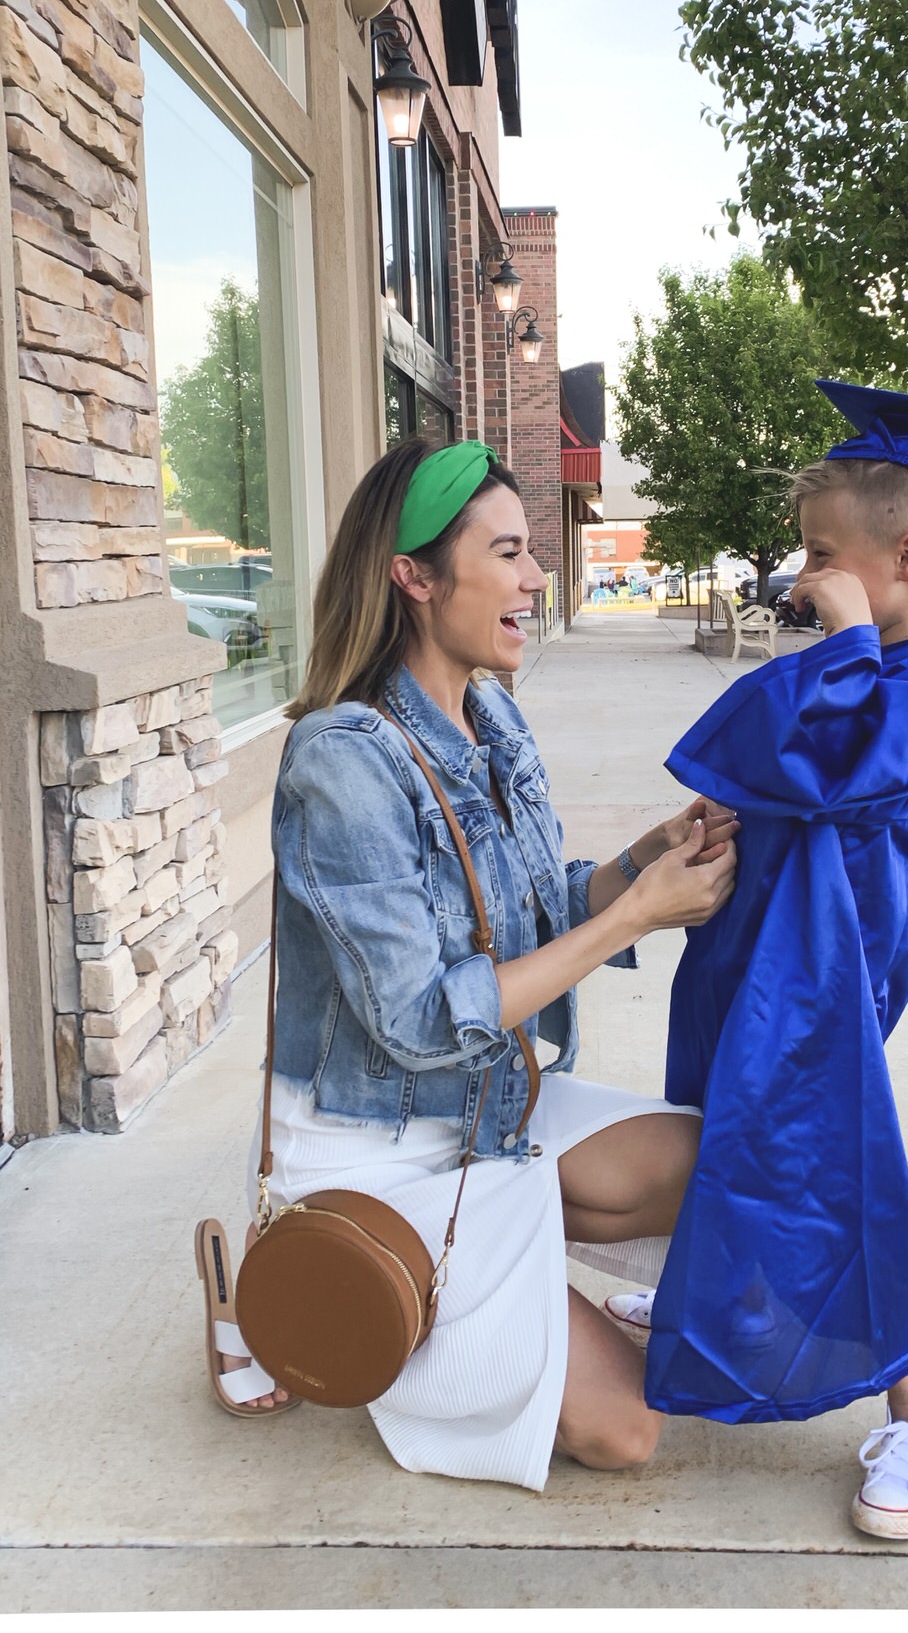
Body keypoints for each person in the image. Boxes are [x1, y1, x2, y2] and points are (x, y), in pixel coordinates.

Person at [194, 437, 738, 1489]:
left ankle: (501, 1259)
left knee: (727, 1164)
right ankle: (276, 1282)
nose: (536, 578)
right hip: (378, 1146)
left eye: (531, 550)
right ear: (415, 576)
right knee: (625, 1432)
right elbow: (415, 1020)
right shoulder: (343, 760)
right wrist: (634, 918)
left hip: (487, 1106)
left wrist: (647, 860)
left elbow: (528, 912)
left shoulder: (490, 715)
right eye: (508, 552)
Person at [601, 382, 908, 1541]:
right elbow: (768, 752)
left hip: (824, 980)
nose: (800, 575)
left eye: (819, 554)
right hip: (760, 952)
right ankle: (715, 1290)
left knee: (817, 1158)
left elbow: (840, 765)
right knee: (725, 1124)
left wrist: (846, 639)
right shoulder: (871, 666)